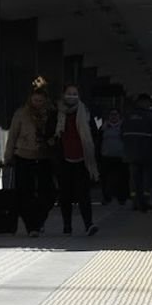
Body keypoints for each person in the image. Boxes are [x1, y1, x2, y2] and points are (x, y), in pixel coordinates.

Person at [3, 77, 57, 237]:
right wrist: (8, 156)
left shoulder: (52, 114)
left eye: (41, 100)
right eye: (35, 100)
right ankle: (31, 226)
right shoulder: (21, 114)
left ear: (45, 100)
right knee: (24, 193)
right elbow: (12, 136)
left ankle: (40, 219)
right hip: (23, 156)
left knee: (48, 193)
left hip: (45, 157)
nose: (38, 103)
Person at [53, 84, 99, 236]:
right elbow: (51, 134)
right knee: (65, 195)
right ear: (63, 95)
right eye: (69, 93)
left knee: (83, 194)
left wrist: (94, 155)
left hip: (82, 158)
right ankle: (67, 225)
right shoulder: (57, 114)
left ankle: (89, 224)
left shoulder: (85, 112)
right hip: (63, 159)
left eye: (75, 93)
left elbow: (94, 134)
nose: (72, 96)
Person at [121, 93, 152, 213]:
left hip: (132, 155)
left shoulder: (128, 117)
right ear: (147, 103)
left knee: (136, 181)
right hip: (150, 155)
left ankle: (140, 205)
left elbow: (122, 134)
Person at [97, 107, 128, 206]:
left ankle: (122, 198)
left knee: (122, 179)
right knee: (105, 179)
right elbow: (98, 141)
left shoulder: (124, 127)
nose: (113, 116)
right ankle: (107, 197)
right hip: (106, 157)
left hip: (121, 157)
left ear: (119, 116)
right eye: (112, 114)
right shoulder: (103, 128)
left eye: (115, 114)